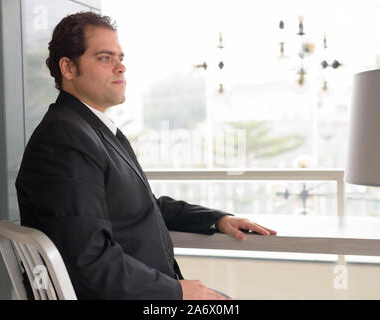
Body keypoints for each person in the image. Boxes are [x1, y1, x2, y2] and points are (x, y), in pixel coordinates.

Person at [15, 11, 277, 300]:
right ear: (68, 67)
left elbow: (142, 207)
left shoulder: (91, 129)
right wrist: (176, 291)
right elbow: (88, 261)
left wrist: (215, 219)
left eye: (121, 57)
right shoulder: (64, 140)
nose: (120, 68)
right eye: (104, 58)